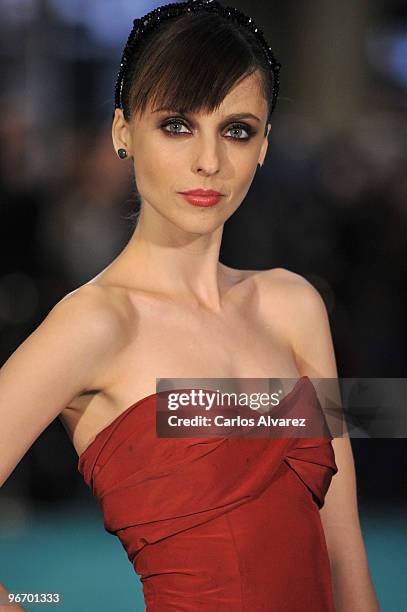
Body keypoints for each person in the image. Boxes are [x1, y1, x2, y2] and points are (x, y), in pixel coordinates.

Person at [0, 1, 380, 610]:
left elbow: (346, 554)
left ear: (263, 145)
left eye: (237, 129)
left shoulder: (295, 305)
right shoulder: (95, 323)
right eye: (177, 124)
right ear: (123, 131)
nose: (210, 160)